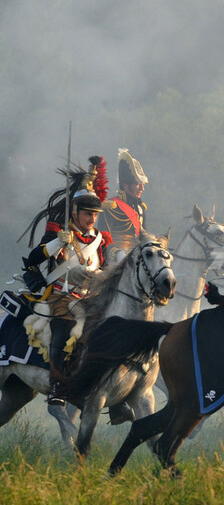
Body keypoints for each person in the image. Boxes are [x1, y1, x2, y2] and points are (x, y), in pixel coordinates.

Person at [20, 157, 112, 404]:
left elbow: (105, 268)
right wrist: (57, 242)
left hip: (88, 298)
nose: (91, 218)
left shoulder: (101, 240)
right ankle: (57, 387)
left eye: (94, 214)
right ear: (75, 212)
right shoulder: (59, 231)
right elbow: (34, 257)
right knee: (62, 330)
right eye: (86, 213)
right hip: (59, 295)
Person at [98, 148, 148, 258]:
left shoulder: (140, 208)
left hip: (136, 257)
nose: (141, 189)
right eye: (138, 184)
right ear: (126, 185)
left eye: (143, 185)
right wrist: (117, 253)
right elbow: (103, 238)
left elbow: (144, 238)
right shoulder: (111, 206)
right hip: (115, 259)